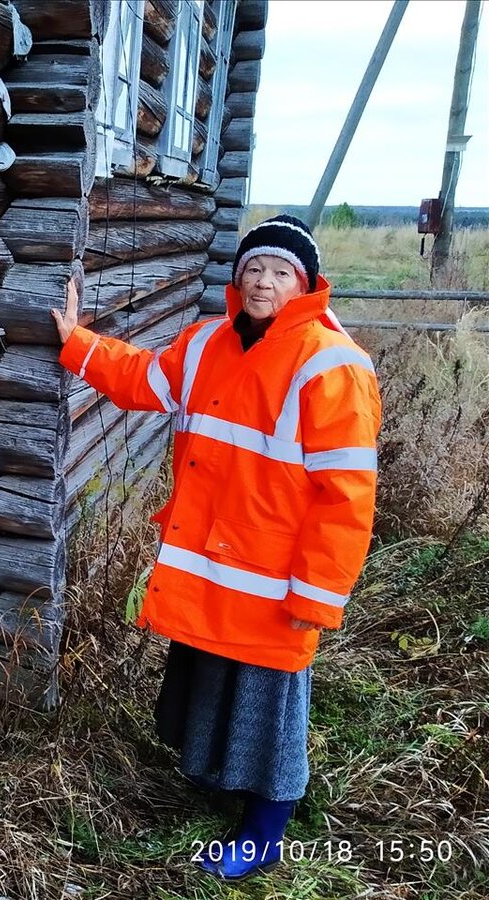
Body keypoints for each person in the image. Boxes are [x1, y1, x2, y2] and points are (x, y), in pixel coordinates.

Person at [50, 215, 381, 880]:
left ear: (306, 283)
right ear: (238, 277)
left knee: (269, 706)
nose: (263, 282)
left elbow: (347, 497)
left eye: (280, 272)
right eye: (254, 268)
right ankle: (217, 783)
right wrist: (79, 345)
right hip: (211, 565)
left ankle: (264, 834)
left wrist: (316, 595)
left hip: (273, 581)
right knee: (211, 680)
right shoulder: (207, 343)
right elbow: (145, 379)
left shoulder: (332, 365)